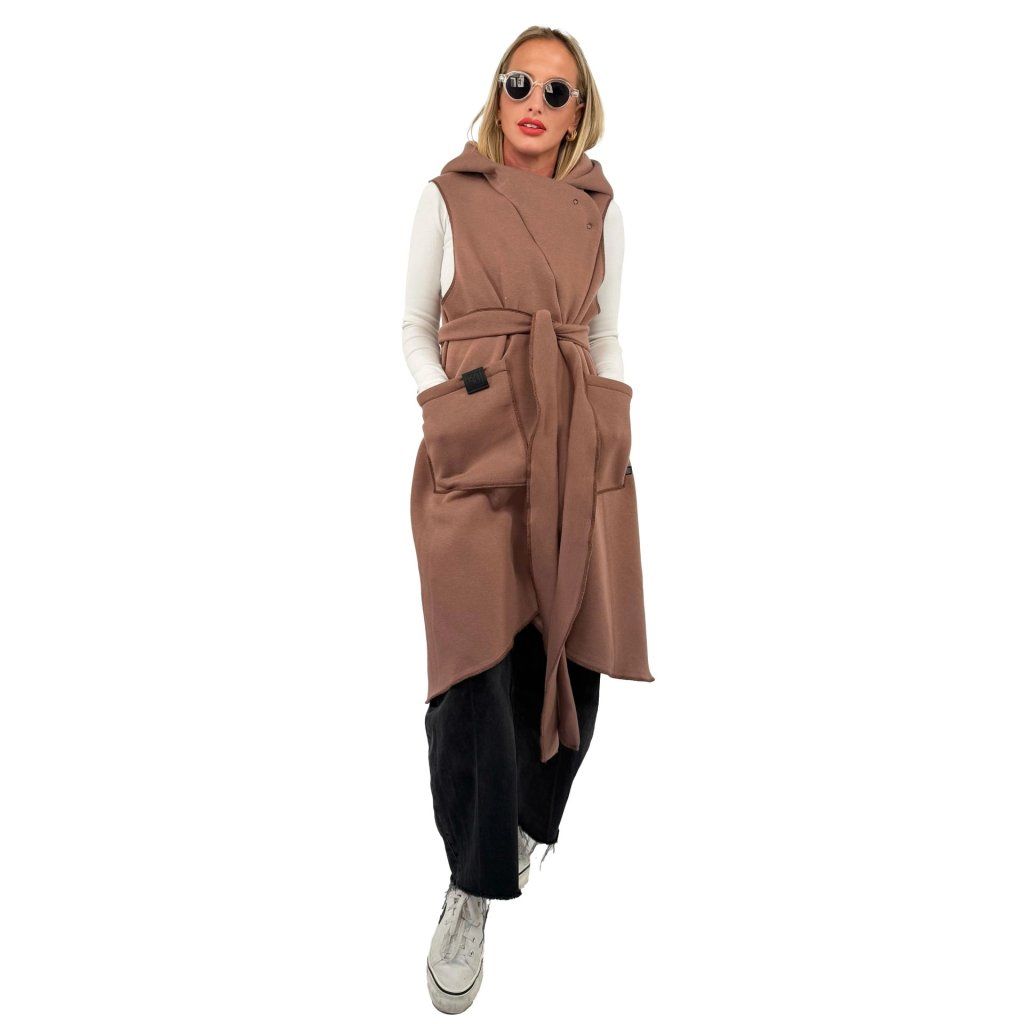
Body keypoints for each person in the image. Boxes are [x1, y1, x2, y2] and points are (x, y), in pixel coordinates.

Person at [403, 26, 654, 1014]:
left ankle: (520, 826)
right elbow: (412, 325)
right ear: (497, 91)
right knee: (471, 662)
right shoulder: (448, 195)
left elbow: (605, 329)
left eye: (557, 90)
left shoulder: (598, 207)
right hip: (472, 444)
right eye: (520, 82)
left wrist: (611, 422)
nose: (534, 104)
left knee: (569, 643)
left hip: (574, 437)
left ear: (578, 107)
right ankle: (470, 885)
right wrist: (451, 405)